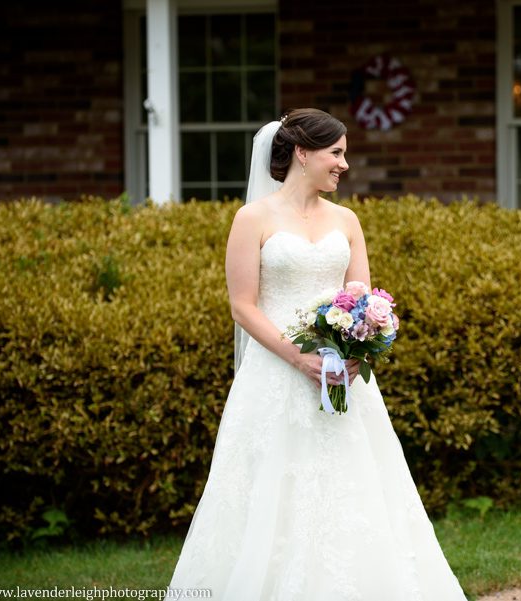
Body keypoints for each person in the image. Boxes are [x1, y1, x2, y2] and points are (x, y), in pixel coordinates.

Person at [168, 108, 467, 600]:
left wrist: (358, 346)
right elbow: (242, 306)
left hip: (339, 378)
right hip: (275, 377)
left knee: (354, 489)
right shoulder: (252, 219)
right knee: (270, 494)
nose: (344, 165)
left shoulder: (347, 221)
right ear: (303, 154)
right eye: (336, 153)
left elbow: (363, 297)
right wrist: (298, 358)